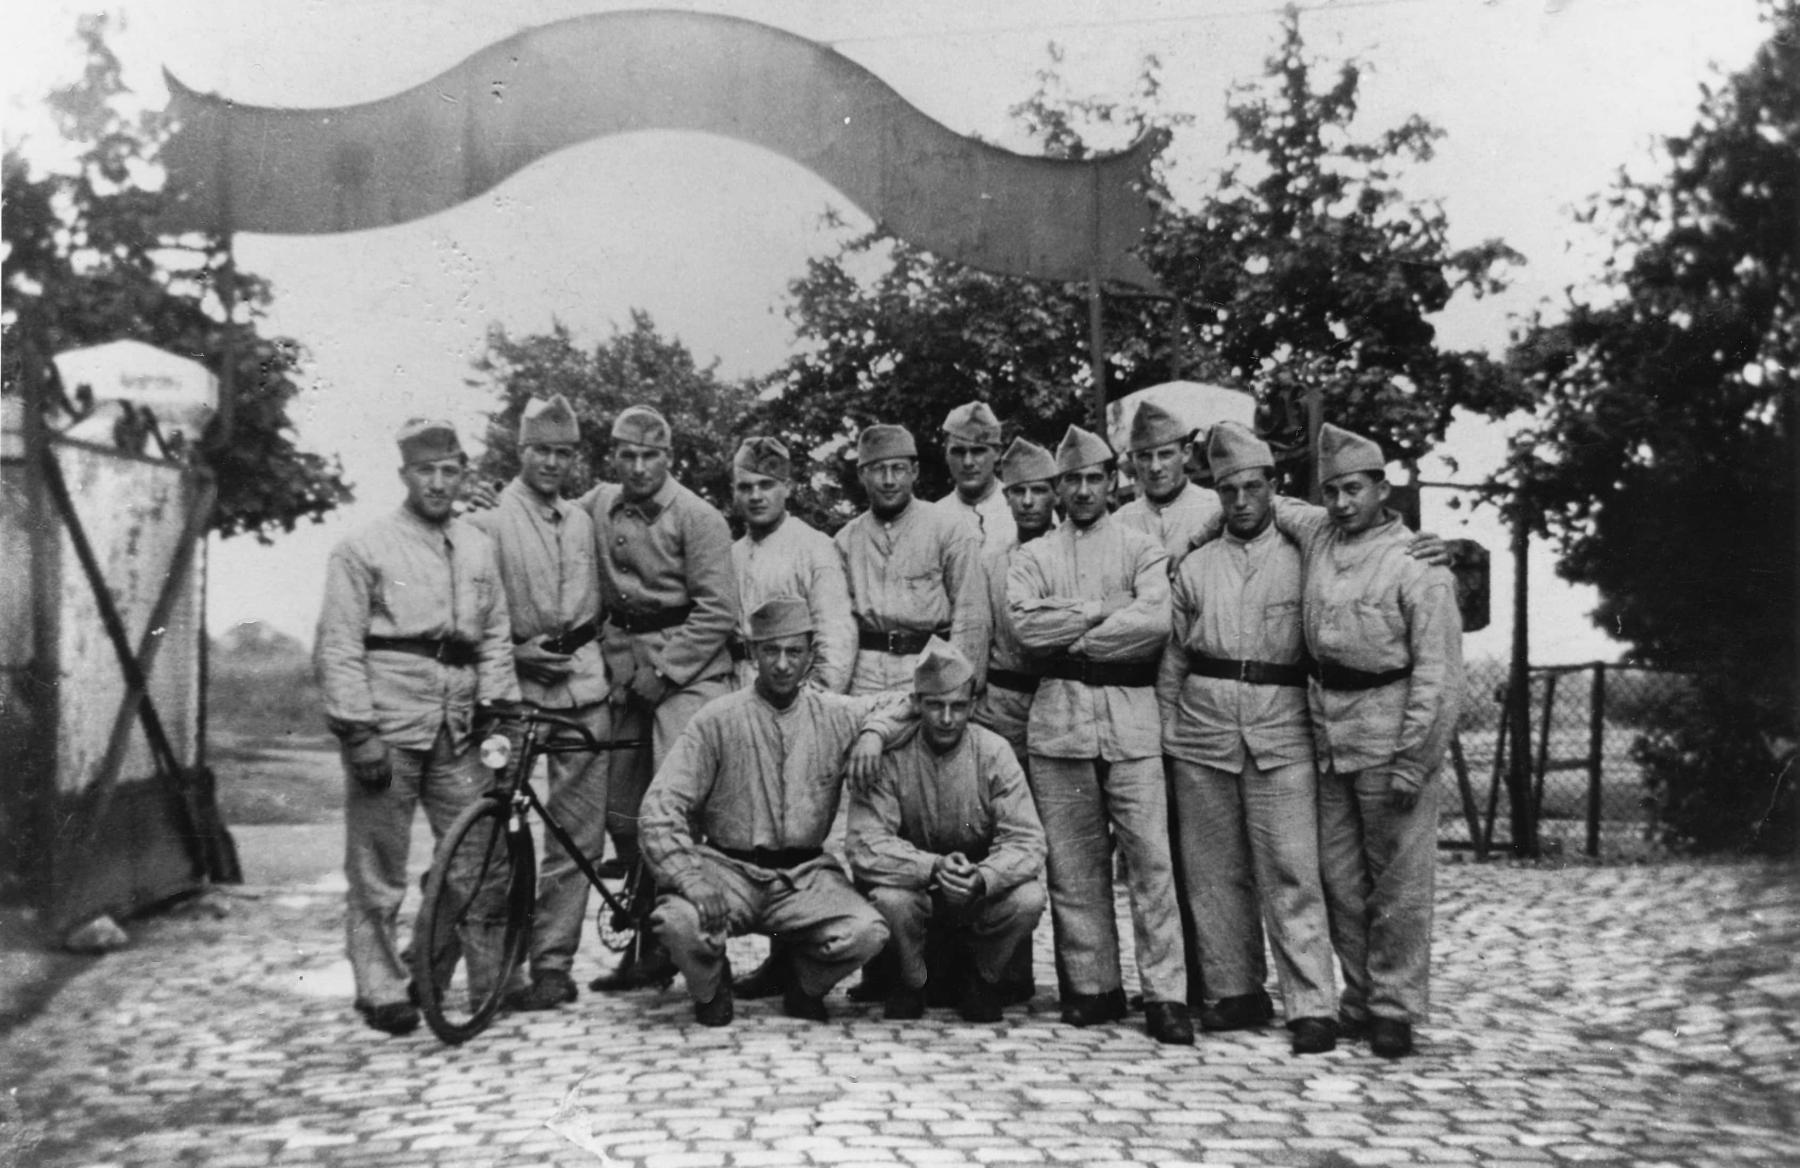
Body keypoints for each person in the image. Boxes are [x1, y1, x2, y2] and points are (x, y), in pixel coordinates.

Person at [314, 418, 520, 1035]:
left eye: (449, 471)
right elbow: (339, 646)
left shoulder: (479, 545)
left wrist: (497, 708)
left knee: (481, 857)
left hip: (460, 726)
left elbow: (496, 636)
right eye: (425, 471)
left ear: (463, 474)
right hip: (390, 720)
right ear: (404, 474)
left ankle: (482, 978)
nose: (437, 482)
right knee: (379, 866)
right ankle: (380, 988)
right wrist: (358, 731)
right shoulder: (364, 548)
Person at [1272, 423, 1465, 1059]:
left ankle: (1394, 1008)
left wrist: (1416, 759)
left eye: (1354, 489)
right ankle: (1358, 995)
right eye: (1331, 490)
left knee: (1401, 885)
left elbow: (1438, 673)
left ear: (1384, 488)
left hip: (1392, 736)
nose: (1342, 502)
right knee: (1340, 880)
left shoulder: (1418, 564)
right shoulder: (1319, 533)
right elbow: (1256, 494)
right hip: (1329, 735)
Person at [638, 597, 910, 1026]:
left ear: (810, 658)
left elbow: (911, 701)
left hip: (804, 879)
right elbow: (660, 807)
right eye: (771, 651)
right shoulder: (717, 719)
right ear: (752, 653)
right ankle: (710, 985)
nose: (782, 665)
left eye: (794, 653)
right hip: (728, 871)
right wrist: (690, 878)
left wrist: (874, 733)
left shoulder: (835, 714)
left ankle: (804, 985)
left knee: (867, 931)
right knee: (678, 921)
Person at [1007, 424, 1194, 1045]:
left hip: (1132, 722)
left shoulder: (1143, 549)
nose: (1083, 489)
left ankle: (1166, 994)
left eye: (1094, 477)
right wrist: (1103, 610)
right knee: (1074, 866)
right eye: (1071, 481)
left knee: (1151, 863)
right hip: (1059, 722)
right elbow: (1026, 632)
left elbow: (1155, 622)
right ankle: (1092, 987)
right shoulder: (1033, 557)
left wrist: (1076, 631)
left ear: (1112, 482)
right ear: (1056, 488)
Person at [1156, 421, 1338, 1055]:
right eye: (1227, 490)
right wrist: (1165, 729)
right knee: (1213, 872)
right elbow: (1175, 655)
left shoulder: (1304, 557)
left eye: (1252, 488)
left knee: (1291, 868)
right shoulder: (1196, 566)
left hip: (1281, 727)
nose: (1240, 501)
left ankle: (1312, 1002)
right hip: (1201, 731)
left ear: (1273, 489)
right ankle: (1237, 990)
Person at [580, 404, 738, 992]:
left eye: (651, 456)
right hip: (623, 670)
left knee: (674, 809)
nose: (639, 467)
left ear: (669, 458)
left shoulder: (698, 518)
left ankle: (685, 943)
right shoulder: (597, 504)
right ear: (613, 456)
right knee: (622, 810)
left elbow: (719, 610)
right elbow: (551, 521)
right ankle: (647, 941)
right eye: (628, 454)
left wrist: (667, 673)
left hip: (688, 672)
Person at [460, 395, 610, 1011]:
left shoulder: (583, 519)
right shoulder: (487, 521)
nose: (552, 462)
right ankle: (497, 968)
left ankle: (552, 962)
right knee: (499, 830)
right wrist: (518, 654)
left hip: (584, 687)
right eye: (541, 450)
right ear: (520, 451)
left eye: (564, 452)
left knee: (577, 837)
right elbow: (472, 615)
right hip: (520, 694)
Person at [847, 638, 1047, 1023]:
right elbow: (864, 844)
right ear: (917, 704)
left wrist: (984, 876)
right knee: (889, 900)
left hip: (975, 893)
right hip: (916, 887)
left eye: (957, 707)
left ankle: (983, 978)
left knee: (1028, 898)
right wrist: (933, 868)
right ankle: (912, 981)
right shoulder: (891, 757)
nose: (946, 718)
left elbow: (1028, 840)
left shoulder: (994, 752)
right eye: (935, 706)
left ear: (972, 707)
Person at [835, 423, 989, 695]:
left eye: (898, 468)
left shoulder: (948, 529)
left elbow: (971, 616)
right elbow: (837, 624)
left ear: (914, 471)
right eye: (878, 469)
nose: (889, 480)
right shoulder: (846, 540)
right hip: (864, 675)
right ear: (862, 475)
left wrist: (961, 686)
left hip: (929, 668)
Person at [728, 436, 856, 694]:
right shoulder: (731, 555)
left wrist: (812, 705)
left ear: (786, 487)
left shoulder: (814, 548)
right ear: (734, 490)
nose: (755, 496)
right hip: (737, 695)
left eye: (766, 485)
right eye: (745, 487)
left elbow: (835, 643)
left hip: (794, 697)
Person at [1114, 401, 1221, 558]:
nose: (1155, 467)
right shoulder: (1120, 522)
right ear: (1132, 460)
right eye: (1145, 456)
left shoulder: (1213, 507)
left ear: (1186, 453)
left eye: (1165, 455)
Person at [935, 400, 1016, 549]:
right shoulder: (934, 518)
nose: (967, 462)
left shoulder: (1022, 509)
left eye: (978, 451)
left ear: (998, 453)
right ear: (946, 454)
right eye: (958, 452)